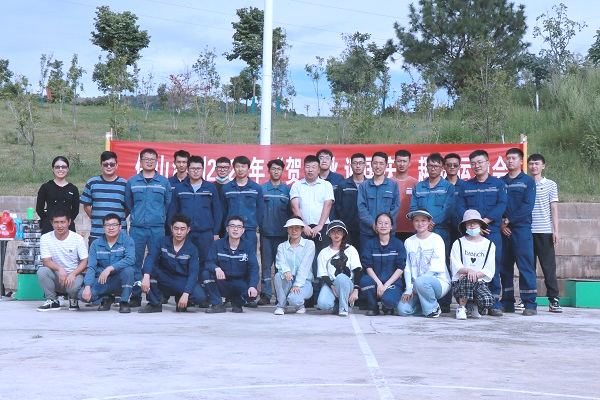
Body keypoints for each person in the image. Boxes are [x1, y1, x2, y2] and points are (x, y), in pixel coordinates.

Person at [456, 149, 506, 316]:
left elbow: (501, 205)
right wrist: (473, 226)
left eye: (480, 162)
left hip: (491, 232)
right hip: (470, 233)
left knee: (493, 266)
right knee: (470, 267)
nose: (477, 166)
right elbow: (460, 207)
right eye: (473, 163)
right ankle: (471, 303)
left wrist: (483, 222)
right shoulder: (466, 186)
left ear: (488, 163)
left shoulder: (498, 184)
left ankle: (494, 303)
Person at [125, 148, 171, 308]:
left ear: (157, 161)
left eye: (152, 159)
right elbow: (129, 203)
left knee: (157, 262)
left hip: (157, 229)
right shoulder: (132, 181)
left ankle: (155, 296)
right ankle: (136, 295)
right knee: (135, 263)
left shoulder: (164, 182)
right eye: (146, 159)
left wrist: (158, 217)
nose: (149, 162)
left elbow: (167, 204)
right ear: (141, 161)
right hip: (137, 229)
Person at [410, 152, 455, 313]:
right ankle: (423, 297)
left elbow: (448, 208)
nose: (433, 168)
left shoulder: (448, 187)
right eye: (430, 165)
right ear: (426, 167)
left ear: (442, 168)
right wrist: (423, 224)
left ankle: (444, 301)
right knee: (421, 262)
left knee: (441, 264)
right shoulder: (419, 187)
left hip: (440, 230)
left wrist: (431, 222)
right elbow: (413, 208)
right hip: (421, 232)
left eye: (436, 166)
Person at [139, 214, 208, 313]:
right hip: (164, 278)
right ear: (171, 228)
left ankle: (181, 299)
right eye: (176, 228)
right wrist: (146, 276)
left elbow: (193, 273)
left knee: (200, 297)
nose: (179, 232)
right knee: (149, 270)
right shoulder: (161, 242)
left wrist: (186, 294)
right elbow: (150, 258)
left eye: (182, 229)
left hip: (182, 281)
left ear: (188, 230)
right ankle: (154, 303)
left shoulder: (192, 249)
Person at [290, 155, 335, 304]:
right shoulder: (297, 185)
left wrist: (320, 225)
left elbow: (328, 205)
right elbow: (295, 206)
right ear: (303, 168)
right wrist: (304, 226)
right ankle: (306, 296)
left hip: (323, 228)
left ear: (318, 169)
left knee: (322, 262)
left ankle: (321, 295)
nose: (310, 170)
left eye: (313, 167)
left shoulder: (326, 185)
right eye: (307, 167)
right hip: (302, 228)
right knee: (304, 262)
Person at [500, 148, 537, 316]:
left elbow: (527, 207)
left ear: (521, 161)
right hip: (503, 231)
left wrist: (509, 221)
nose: (510, 161)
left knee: (525, 267)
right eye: (508, 158)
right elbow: (498, 204)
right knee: (504, 267)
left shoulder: (528, 182)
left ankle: (530, 304)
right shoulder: (500, 182)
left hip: (521, 230)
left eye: (513, 158)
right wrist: (501, 224)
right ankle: (507, 302)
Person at [168, 155, 222, 270]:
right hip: (185, 233)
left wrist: (216, 232)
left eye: (199, 169)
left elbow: (217, 211)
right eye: (193, 168)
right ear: (188, 169)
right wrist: (173, 230)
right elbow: (173, 211)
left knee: (205, 262)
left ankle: (203, 281)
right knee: (183, 260)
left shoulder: (210, 188)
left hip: (205, 233)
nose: (196, 171)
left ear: (203, 170)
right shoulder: (180, 188)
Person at [397, 209, 450, 318]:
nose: (420, 223)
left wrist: (417, 285)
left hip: (438, 282)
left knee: (421, 282)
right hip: (415, 286)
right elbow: (407, 267)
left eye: (423, 220)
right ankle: (427, 308)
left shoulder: (437, 239)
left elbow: (436, 267)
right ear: (412, 222)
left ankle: (432, 308)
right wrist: (409, 288)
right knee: (402, 310)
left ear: (430, 222)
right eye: (416, 220)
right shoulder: (408, 241)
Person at [78, 213, 135, 314]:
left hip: (119, 279)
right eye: (107, 225)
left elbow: (130, 259)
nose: (111, 228)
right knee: (82, 295)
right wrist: (87, 286)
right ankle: (106, 298)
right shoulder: (96, 244)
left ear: (120, 227)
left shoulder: (127, 240)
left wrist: (110, 268)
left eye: (114, 225)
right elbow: (91, 267)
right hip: (102, 280)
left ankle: (124, 302)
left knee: (129, 270)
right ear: (103, 227)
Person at [203, 216, 260, 313]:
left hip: (240, 282)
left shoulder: (248, 246)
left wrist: (252, 286)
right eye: (232, 226)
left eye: (239, 227)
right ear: (227, 229)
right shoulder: (217, 244)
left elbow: (253, 268)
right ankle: (217, 304)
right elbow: (209, 262)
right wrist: (216, 268)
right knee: (206, 274)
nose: (235, 229)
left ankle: (237, 301)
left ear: (243, 230)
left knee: (251, 295)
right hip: (223, 282)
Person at [528, 153, 562, 313]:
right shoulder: (526, 183)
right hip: (527, 231)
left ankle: (553, 300)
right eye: (531, 164)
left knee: (548, 268)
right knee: (528, 267)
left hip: (545, 231)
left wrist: (556, 230)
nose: (533, 166)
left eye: (536, 163)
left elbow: (554, 209)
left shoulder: (550, 185)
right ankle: (527, 298)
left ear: (543, 166)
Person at [36, 208, 88, 311]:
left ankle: (73, 299)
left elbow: (85, 261)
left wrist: (73, 274)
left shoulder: (77, 239)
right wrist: (60, 269)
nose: (59, 225)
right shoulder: (45, 238)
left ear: (69, 222)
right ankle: (52, 300)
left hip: (74, 276)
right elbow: (46, 261)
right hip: (57, 276)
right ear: (51, 223)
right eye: (56, 222)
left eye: (62, 222)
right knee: (42, 271)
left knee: (73, 288)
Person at [451, 210, 496, 320]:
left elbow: (489, 268)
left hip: (479, 281)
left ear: (480, 224)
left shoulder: (489, 245)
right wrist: (467, 271)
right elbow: (455, 265)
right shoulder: (458, 243)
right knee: (467, 279)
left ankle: (475, 306)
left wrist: (474, 275)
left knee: (487, 300)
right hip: (461, 282)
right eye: (468, 222)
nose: (472, 225)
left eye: (475, 222)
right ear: (464, 225)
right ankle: (461, 307)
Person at [359, 213, 406, 316]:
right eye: (380, 223)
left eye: (386, 223)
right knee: (365, 281)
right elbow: (368, 266)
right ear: (375, 226)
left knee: (389, 301)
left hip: (392, 283)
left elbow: (400, 268)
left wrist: (386, 285)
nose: (383, 226)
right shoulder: (370, 244)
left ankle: (387, 306)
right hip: (375, 281)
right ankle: (373, 307)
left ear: (391, 226)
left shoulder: (398, 244)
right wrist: (379, 284)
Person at [259, 159, 291, 305]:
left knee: (281, 266)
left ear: (282, 171)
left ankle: (280, 295)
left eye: (278, 169)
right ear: (269, 170)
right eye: (273, 169)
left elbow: (291, 212)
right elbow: (258, 210)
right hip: (266, 233)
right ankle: (265, 294)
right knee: (266, 266)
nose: (276, 171)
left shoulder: (288, 191)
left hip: (282, 235)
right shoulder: (262, 189)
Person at [80, 151, 127, 246]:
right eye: (105, 164)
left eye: (112, 164)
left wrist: (117, 220)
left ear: (117, 165)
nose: (109, 167)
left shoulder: (125, 184)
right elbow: (86, 206)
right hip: (97, 234)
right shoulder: (92, 183)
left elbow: (128, 208)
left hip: (120, 235)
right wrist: (98, 219)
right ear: (101, 165)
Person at [316, 220, 362, 317]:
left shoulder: (351, 249)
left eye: (339, 231)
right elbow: (323, 273)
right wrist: (332, 287)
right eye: (333, 231)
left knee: (341, 277)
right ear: (329, 234)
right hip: (331, 283)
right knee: (323, 304)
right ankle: (337, 303)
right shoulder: (324, 252)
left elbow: (357, 270)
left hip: (347, 283)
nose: (336, 234)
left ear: (344, 233)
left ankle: (343, 309)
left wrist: (356, 290)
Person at [357, 151, 400, 250]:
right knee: (367, 258)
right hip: (367, 233)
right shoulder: (364, 186)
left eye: (381, 163)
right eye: (375, 163)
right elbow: (361, 208)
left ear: (386, 165)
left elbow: (395, 207)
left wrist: (384, 225)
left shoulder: (393, 185)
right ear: (371, 165)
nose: (378, 166)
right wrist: (373, 224)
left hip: (388, 234)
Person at [273, 217, 316, 315]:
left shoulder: (309, 244)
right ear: (287, 229)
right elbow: (280, 262)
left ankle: (299, 305)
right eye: (291, 227)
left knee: (294, 299)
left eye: (297, 227)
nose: (294, 230)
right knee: (278, 276)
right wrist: (286, 271)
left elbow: (305, 266)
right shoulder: (282, 246)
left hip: (304, 281)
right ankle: (281, 306)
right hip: (288, 279)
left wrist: (297, 284)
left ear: (302, 229)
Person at [222, 155, 264, 250]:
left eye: (243, 166)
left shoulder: (256, 188)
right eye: (237, 166)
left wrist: (253, 223)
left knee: (250, 256)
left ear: (248, 168)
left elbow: (260, 209)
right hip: (231, 230)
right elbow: (223, 210)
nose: (240, 169)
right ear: (234, 168)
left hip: (249, 230)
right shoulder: (226, 188)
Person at [36, 156, 80, 235]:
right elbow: (39, 208)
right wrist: (48, 221)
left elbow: (75, 210)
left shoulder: (73, 189)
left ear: (68, 169)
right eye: (57, 167)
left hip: (68, 228)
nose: (60, 169)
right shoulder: (46, 187)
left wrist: (66, 222)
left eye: (63, 167)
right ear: (53, 169)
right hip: (49, 228)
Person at [334, 153, 366, 253]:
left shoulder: (369, 184)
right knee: (347, 254)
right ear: (351, 165)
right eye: (355, 163)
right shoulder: (343, 184)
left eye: (360, 163)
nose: (358, 166)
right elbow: (338, 206)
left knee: (364, 254)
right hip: (347, 228)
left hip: (366, 228)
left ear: (365, 165)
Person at [392, 150, 418, 242]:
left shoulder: (415, 184)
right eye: (399, 161)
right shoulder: (388, 183)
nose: (402, 164)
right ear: (395, 162)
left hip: (412, 229)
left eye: (404, 161)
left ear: (409, 163)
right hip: (391, 228)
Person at [444, 153, 466, 247]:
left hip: (462, 228)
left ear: (459, 167)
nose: (452, 167)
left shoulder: (466, 186)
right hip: (444, 228)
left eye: (455, 165)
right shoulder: (440, 186)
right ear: (444, 167)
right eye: (449, 165)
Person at [167, 150, 190, 235]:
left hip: (188, 224)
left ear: (188, 163)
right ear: (174, 163)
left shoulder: (192, 183)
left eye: (184, 162)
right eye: (178, 162)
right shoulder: (168, 182)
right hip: (171, 225)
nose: (181, 165)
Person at [214, 156, 232, 238]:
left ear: (230, 169)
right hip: (214, 226)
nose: (222, 170)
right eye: (220, 167)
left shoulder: (233, 187)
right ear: (216, 169)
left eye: (225, 167)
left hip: (230, 225)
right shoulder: (210, 187)